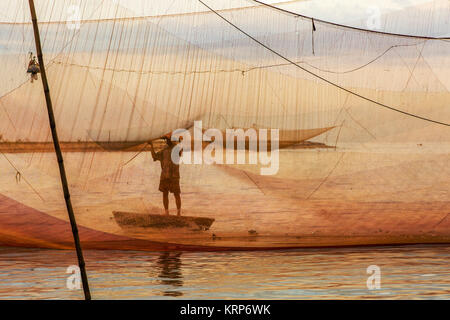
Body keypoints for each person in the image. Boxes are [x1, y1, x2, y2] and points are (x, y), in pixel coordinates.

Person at [150, 134, 182, 216]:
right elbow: (154, 156)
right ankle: (166, 212)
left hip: (174, 176)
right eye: (166, 140)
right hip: (165, 176)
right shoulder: (164, 151)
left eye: (168, 139)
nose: (167, 141)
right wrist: (151, 146)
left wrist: (179, 140)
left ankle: (178, 213)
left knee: (176, 194)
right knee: (165, 194)